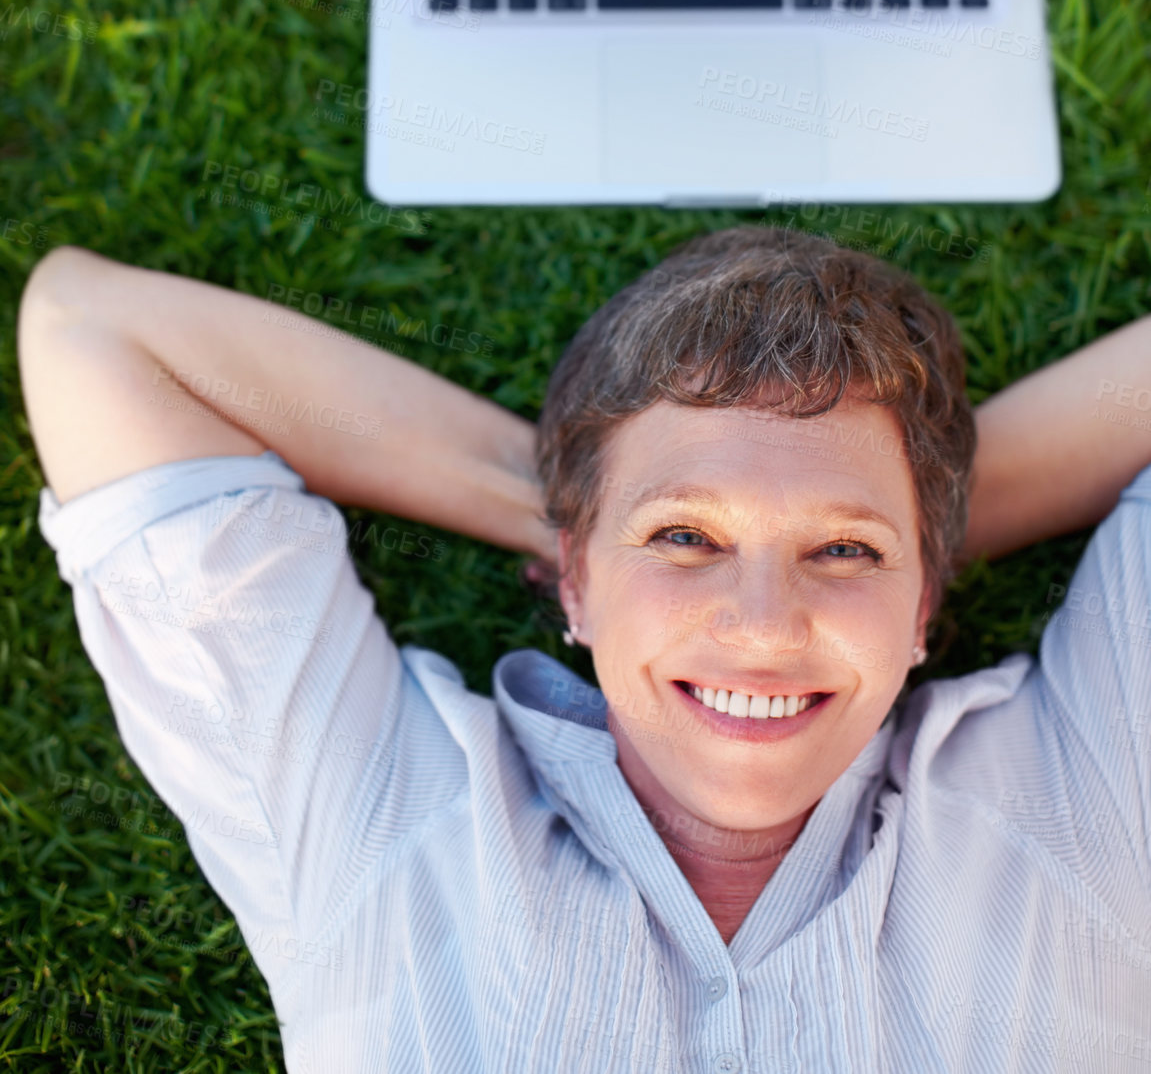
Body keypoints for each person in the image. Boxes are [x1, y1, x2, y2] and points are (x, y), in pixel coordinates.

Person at [17, 227, 1151, 1073]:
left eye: (844, 553)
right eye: (683, 536)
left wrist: (907, 524)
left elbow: (92, 338)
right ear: (572, 579)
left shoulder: (1082, 803)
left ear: (922, 611)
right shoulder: (387, 823)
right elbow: (94, 334)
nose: (759, 622)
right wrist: (593, 515)